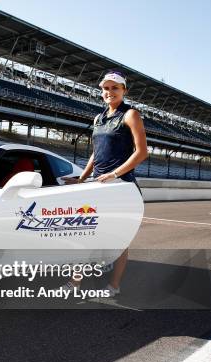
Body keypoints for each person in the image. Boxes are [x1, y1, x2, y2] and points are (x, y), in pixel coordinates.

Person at [63, 71, 148, 297]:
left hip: (121, 187)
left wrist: (114, 173)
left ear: (124, 91)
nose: (109, 92)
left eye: (115, 88)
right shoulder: (98, 118)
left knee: (119, 240)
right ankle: (75, 282)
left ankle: (114, 286)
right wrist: (81, 178)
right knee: (83, 235)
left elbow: (142, 153)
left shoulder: (131, 115)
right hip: (98, 187)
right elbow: (96, 153)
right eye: (106, 89)